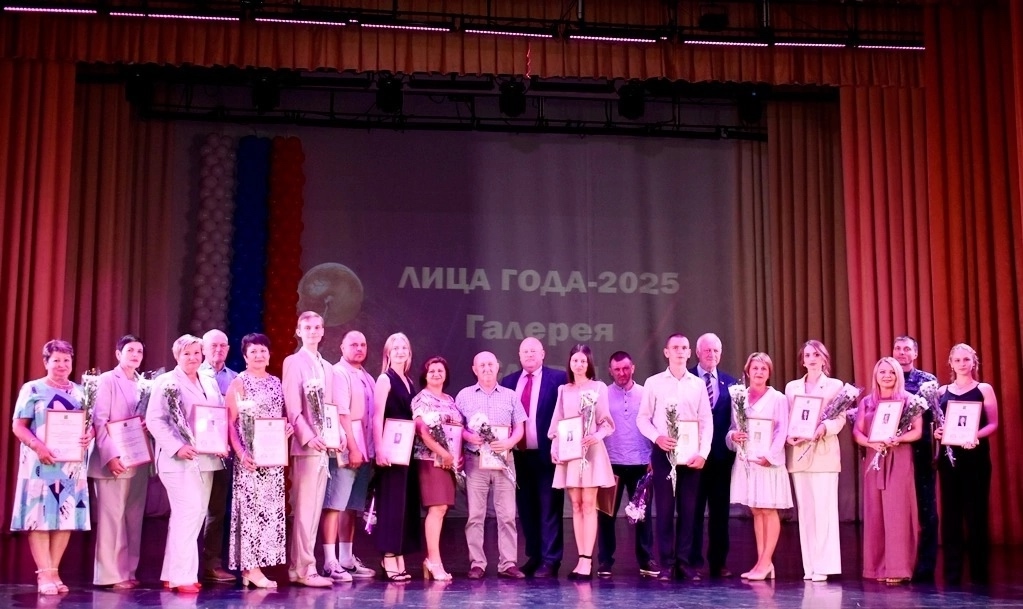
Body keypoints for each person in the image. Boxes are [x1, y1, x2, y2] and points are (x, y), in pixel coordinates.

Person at [146, 334, 227, 593]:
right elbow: (154, 420)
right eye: (186, 353)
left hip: (206, 459)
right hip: (177, 460)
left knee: (194, 515)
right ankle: (182, 577)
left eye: (196, 353)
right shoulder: (166, 381)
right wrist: (177, 446)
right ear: (176, 356)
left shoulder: (208, 380)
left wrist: (221, 442)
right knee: (189, 512)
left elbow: (217, 416)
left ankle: (171, 573)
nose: (192, 358)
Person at [11, 339, 93, 595]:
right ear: (46, 362)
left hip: (71, 466)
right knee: (39, 516)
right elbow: (18, 426)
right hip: (40, 462)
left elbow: (90, 425)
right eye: (56, 360)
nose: (62, 365)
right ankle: (43, 574)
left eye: (66, 360)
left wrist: (89, 434)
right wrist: (38, 447)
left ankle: (54, 571)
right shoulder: (32, 389)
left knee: (65, 518)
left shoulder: (82, 392)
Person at [283, 312, 359, 588]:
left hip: (324, 448)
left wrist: (338, 434)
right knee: (305, 510)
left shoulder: (327, 367)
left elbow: (330, 408)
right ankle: (305, 568)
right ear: (298, 331)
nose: (313, 331)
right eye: (307, 327)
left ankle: (299, 568)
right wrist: (308, 436)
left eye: (317, 327)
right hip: (306, 448)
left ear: (323, 331)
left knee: (314, 510)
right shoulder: (293, 362)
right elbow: (293, 408)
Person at [637, 333, 712, 581]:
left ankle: (685, 562)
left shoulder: (697, 385)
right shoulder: (654, 383)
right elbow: (642, 418)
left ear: (690, 353)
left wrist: (703, 453)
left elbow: (706, 421)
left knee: (689, 511)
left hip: (691, 457)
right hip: (663, 455)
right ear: (666, 352)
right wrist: (657, 437)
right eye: (675, 347)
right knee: (665, 511)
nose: (680, 351)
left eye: (684, 348)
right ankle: (667, 564)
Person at [225, 333, 293, 588]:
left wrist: (286, 428)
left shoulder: (276, 382)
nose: (259, 355)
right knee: (250, 513)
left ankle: (254, 568)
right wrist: (241, 453)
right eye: (253, 351)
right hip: (250, 460)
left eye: (263, 350)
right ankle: (250, 567)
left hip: (272, 459)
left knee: (268, 513)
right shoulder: (239, 383)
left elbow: (278, 416)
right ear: (245, 356)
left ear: (269, 354)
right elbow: (229, 423)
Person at [500, 336, 568, 578]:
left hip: (547, 455)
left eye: (533, 351)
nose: (529, 355)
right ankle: (535, 556)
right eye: (525, 351)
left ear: (543, 354)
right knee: (526, 509)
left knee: (550, 508)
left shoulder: (559, 379)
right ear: (519, 356)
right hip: (518, 456)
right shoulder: (508, 382)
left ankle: (551, 560)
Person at [456, 351, 527, 579]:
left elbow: (520, 427)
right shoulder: (464, 395)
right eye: (482, 365)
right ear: (474, 369)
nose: (486, 368)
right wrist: (468, 436)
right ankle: (477, 563)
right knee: (475, 515)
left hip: (504, 461)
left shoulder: (510, 395)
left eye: (490, 364)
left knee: (507, 514)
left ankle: (508, 563)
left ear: (497, 367)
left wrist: (509, 442)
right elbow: (456, 427)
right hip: (475, 461)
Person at [933, 343, 999, 586]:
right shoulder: (941, 392)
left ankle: (979, 573)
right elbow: (939, 425)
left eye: (966, 359)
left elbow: (993, 424)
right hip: (949, 460)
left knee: (976, 514)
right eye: (957, 360)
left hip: (976, 458)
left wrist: (975, 436)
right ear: (951, 363)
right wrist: (938, 433)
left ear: (974, 362)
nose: (962, 364)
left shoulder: (984, 389)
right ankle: (952, 574)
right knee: (951, 515)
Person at [548, 344, 616, 580]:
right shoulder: (563, 390)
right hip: (570, 453)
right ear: (570, 363)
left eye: (583, 361)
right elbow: (557, 423)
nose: (579, 365)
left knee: (588, 504)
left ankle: (587, 560)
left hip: (591, 452)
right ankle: (580, 559)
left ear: (589, 364)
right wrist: (554, 447)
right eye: (575, 360)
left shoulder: (598, 388)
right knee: (576, 505)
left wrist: (596, 436)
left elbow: (606, 422)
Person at [852, 357, 921, 583]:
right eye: (882, 372)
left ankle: (898, 568)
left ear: (898, 375)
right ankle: (876, 568)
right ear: (876, 375)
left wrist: (898, 438)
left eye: (891, 372)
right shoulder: (867, 402)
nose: (887, 376)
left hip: (899, 457)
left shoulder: (909, 400)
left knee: (897, 512)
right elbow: (857, 432)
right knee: (875, 513)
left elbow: (917, 431)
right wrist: (870, 444)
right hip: (874, 458)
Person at [88, 334, 149, 589]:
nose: (135, 355)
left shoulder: (144, 384)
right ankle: (109, 575)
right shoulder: (107, 380)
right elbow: (99, 420)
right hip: (113, 459)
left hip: (139, 458)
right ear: (118, 354)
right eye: (130, 350)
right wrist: (110, 456)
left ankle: (128, 570)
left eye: (139, 351)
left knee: (133, 517)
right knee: (111, 517)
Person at [725, 352, 792, 581]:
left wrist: (770, 456)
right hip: (747, 461)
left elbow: (782, 430)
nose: (759, 372)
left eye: (764, 369)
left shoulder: (778, 398)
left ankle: (764, 563)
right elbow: (732, 428)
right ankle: (763, 562)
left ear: (769, 373)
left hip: (767, 461)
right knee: (756, 510)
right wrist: (734, 436)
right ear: (748, 371)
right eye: (755, 368)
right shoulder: (739, 397)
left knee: (768, 509)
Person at [785, 339, 845, 583]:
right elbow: (788, 417)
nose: (812, 359)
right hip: (799, 453)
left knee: (824, 511)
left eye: (816, 355)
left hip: (824, 453)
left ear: (824, 359)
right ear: (802, 360)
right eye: (808, 355)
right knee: (806, 512)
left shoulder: (835, 386)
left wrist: (823, 428)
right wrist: (789, 435)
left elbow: (840, 419)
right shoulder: (792, 387)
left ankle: (825, 565)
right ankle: (809, 566)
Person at [596, 351, 657, 579]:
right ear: (610, 371)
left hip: (641, 463)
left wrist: (653, 457)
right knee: (606, 515)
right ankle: (605, 561)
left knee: (642, 515)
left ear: (633, 368)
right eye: (617, 369)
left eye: (625, 368)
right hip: (609, 464)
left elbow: (654, 424)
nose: (622, 373)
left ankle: (646, 559)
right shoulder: (602, 394)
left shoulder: (645, 393)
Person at [322, 330, 377, 580]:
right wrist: (352, 448)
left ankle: (346, 558)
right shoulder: (339, 373)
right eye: (353, 344)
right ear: (342, 348)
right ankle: (330, 561)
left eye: (363, 344)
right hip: (346, 449)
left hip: (364, 451)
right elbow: (342, 413)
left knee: (351, 506)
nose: (359, 348)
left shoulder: (367, 377)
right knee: (335, 504)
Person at [689, 333, 738, 579]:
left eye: (716, 350)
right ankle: (693, 562)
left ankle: (719, 563)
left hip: (721, 459)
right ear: (698, 353)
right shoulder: (686, 379)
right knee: (693, 513)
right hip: (693, 458)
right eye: (707, 350)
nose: (712, 354)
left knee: (720, 514)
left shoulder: (732, 384)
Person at [373, 332, 421, 581]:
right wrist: (379, 449)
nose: (400, 351)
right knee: (391, 504)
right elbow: (376, 416)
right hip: (390, 451)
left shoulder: (409, 381)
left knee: (404, 504)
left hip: (407, 452)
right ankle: (388, 555)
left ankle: (399, 552)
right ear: (388, 353)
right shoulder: (385, 379)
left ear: (409, 353)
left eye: (404, 348)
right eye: (396, 348)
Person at [891, 335, 939, 582]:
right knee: (897, 508)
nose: (901, 353)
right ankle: (899, 563)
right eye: (898, 348)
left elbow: (936, 414)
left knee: (926, 508)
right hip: (893, 451)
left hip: (920, 449)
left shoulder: (927, 380)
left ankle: (925, 566)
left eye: (907, 349)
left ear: (915, 353)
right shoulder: (887, 376)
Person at [411, 356, 461, 581]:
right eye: (432, 371)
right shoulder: (421, 399)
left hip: (448, 461)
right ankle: (434, 561)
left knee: (442, 509)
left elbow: (456, 430)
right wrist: (443, 453)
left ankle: (431, 561)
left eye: (440, 370)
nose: (436, 374)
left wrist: (456, 455)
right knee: (437, 508)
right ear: (425, 375)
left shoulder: (450, 399)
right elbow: (422, 431)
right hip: (430, 460)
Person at [197, 329, 238, 583]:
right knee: (194, 509)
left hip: (226, 453)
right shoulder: (193, 374)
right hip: (198, 454)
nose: (218, 350)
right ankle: (188, 565)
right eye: (213, 345)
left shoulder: (236, 379)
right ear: (203, 348)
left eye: (223, 345)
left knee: (217, 509)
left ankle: (212, 564)